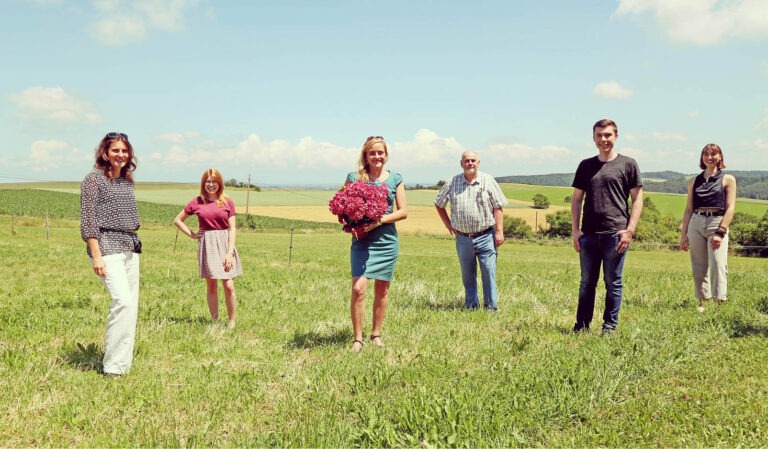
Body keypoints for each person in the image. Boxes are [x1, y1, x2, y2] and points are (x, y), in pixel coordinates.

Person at [571, 119, 643, 335]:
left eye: (608, 135)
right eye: (599, 135)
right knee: (586, 283)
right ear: (594, 138)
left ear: (616, 137)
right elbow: (576, 199)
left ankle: (609, 327)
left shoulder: (628, 164)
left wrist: (630, 230)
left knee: (613, 283)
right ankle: (581, 327)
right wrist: (575, 231)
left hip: (616, 234)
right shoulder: (585, 165)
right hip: (589, 235)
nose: (604, 139)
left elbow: (637, 199)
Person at [80, 132, 141, 377]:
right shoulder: (93, 179)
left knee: (130, 307)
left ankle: (122, 365)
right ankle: (113, 367)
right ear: (105, 153)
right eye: (115, 150)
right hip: (106, 245)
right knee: (122, 302)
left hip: (129, 245)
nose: (121, 155)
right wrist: (96, 255)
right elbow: (88, 220)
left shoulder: (126, 181)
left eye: (124, 151)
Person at [345, 136, 408, 353]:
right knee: (358, 288)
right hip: (362, 240)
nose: (377, 156)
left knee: (382, 289)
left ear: (386, 155)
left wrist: (379, 220)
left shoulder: (395, 178)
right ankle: (358, 339)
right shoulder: (354, 177)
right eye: (372, 153)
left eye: (380, 153)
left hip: (386, 241)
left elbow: (403, 211)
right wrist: (351, 223)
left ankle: (376, 334)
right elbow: (344, 207)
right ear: (366, 155)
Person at [434, 151, 508, 311]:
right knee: (468, 275)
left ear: (478, 163)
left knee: (489, 272)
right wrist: (448, 224)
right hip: (463, 238)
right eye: (466, 160)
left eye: (473, 160)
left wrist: (499, 231)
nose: (470, 163)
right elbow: (439, 203)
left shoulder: (488, 180)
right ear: (461, 163)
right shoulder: (453, 182)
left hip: (486, 235)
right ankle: (472, 307)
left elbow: (498, 207)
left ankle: (491, 308)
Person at [174, 169, 242, 328]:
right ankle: (215, 321)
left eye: (214, 181)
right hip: (207, 244)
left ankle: (232, 322)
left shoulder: (227, 202)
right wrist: (192, 234)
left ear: (220, 183)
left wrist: (230, 252)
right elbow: (177, 220)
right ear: (203, 184)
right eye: (208, 182)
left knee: (229, 286)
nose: (211, 185)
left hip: (225, 244)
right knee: (211, 286)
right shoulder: (197, 202)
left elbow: (232, 228)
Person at [680, 144, 736, 312]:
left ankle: (720, 303)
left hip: (716, 221)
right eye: (706, 154)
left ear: (720, 157)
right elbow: (688, 209)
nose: (709, 158)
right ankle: (703, 302)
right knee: (698, 265)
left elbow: (731, 208)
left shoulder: (727, 179)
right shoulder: (693, 181)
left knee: (718, 263)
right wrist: (683, 234)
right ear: (702, 158)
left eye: (713, 154)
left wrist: (721, 231)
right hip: (696, 222)